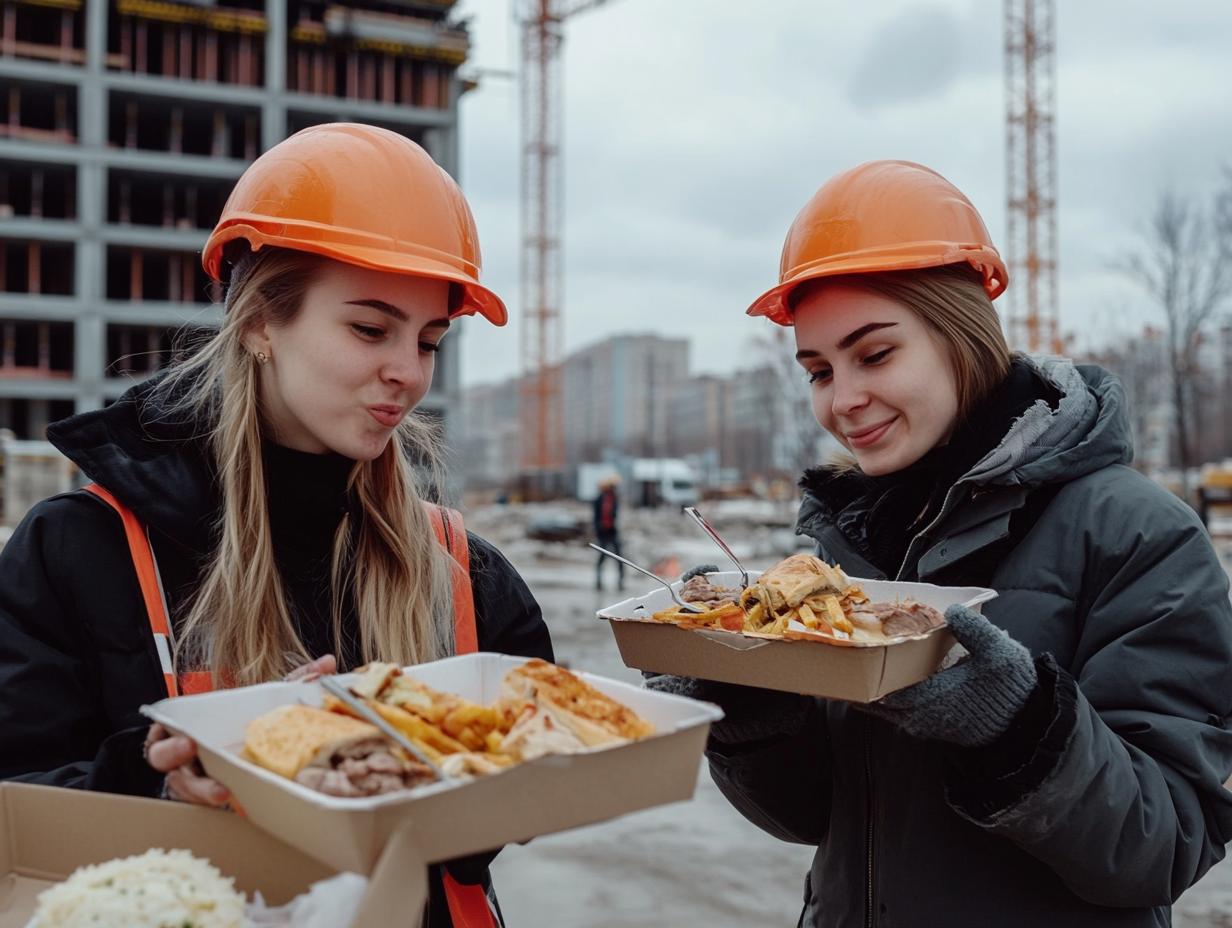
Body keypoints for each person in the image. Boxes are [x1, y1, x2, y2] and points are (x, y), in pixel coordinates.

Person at [649, 160, 1232, 926]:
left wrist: (1017, 726)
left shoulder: (1135, 532)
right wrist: (748, 708)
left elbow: (1172, 841)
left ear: (961, 338)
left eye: (874, 355)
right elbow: (815, 818)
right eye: (818, 371)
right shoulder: (843, 546)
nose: (843, 400)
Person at [0, 123, 552, 928]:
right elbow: (19, 804)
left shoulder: (465, 571)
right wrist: (158, 781)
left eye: (429, 340)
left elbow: (504, 823)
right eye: (370, 329)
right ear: (260, 322)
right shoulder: (79, 552)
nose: (408, 372)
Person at [594, 476, 625, 591]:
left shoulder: (614, 498)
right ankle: (598, 582)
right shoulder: (600, 499)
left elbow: (615, 515)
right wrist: (598, 529)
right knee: (602, 557)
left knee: (619, 558)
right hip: (603, 532)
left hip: (612, 531)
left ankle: (620, 582)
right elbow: (596, 517)